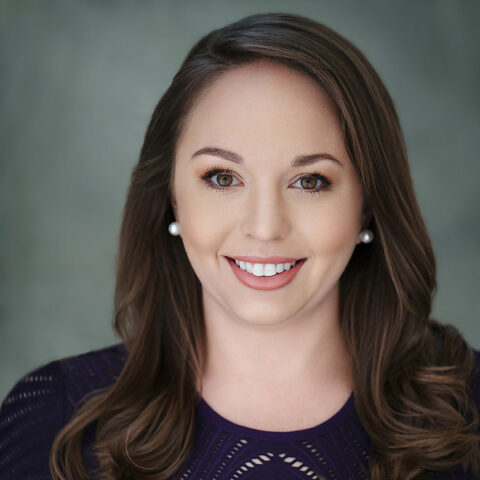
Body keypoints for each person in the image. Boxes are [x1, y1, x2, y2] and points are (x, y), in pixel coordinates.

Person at [0, 12, 479, 480]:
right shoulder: (55, 419)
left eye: (310, 181)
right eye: (223, 177)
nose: (265, 227)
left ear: (368, 205)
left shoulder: (470, 410)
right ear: (171, 198)